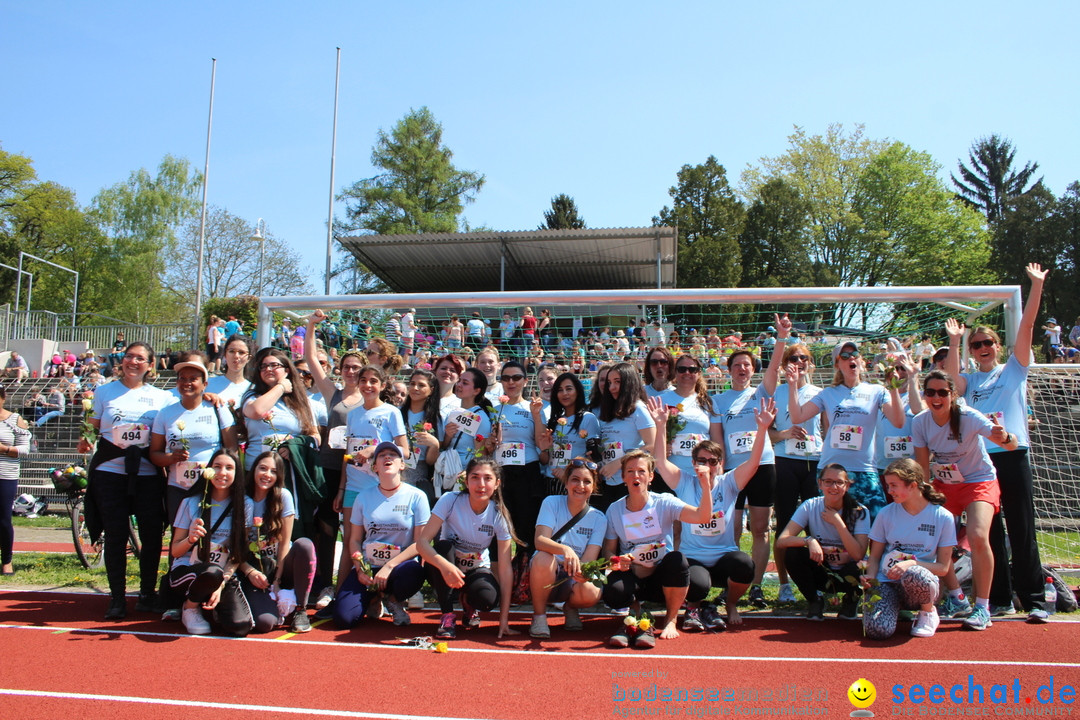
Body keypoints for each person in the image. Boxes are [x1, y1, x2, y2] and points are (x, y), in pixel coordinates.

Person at [944, 263, 1053, 622]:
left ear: (998, 345)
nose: (983, 348)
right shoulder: (971, 382)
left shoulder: (1014, 369)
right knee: (989, 532)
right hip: (981, 464)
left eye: (988, 342)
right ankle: (1001, 598)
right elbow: (952, 382)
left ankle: (1034, 599)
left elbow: (1028, 326)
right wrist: (956, 341)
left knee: (1022, 528)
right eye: (977, 345)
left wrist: (1035, 286)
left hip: (1013, 453)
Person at [651, 396, 775, 631]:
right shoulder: (684, 482)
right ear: (693, 461)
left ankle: (730, 604)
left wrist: (762, 429)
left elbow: (754, 463)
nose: (706, 465)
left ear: (719, 464)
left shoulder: (729, 482)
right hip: (694, 556)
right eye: (701, 460)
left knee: (745, 565)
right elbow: (660, 462)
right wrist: (660, 425)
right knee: (698, 585)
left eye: (712, 461)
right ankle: (695, 607)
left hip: (723, 555)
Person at [913, 370, 1020, 632]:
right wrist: (923, 496)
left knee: (977, 535)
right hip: (944, 484)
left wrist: (1003, 436)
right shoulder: (919, 422)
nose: (936, 398)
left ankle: (982, 607)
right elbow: (922, 466)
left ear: (953, 395)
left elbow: (1011, 444)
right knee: (937, 538)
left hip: (978, 480)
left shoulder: (969, 416)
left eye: (942, 393)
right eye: (930, 392)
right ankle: (957, 597)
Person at [83, 341, 174, 620]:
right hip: (110, 473)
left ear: (150, 365)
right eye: (129, 357)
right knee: (115, 534)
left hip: (148, 474)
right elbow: (91, 426)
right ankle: (118, 598)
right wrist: (84, 440)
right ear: (121, 361)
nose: (133, 362)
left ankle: (147, 594)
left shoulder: (162, 398)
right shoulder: (103, 391)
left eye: (140, 359)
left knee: (151, 535)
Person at [709, 314, 789, 608]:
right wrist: (718, 470)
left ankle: (755, 586)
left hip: (763, 465)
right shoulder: (718, 401)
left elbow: (775, 366)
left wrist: (781, 337)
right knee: (731, 528)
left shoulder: (762, 393)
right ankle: (731, 582)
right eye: (737, 365)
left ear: (752, 370)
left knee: (759, 527)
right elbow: (717, 439)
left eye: (747, 365)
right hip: (733, 470)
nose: (742, 369)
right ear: (728, 370)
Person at [601, 450, 715, 648]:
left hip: (662, 575)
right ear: (623, 478)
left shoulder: (664, 502)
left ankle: (670, 620)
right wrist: (618, 560)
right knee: (612, 593)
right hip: (634, 573)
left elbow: (702, 517)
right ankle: (635, 612)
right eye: (630, 471)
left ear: (651, 476)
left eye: (641, 471)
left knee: (677, 560)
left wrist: (705, 486)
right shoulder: (614, 509)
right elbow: (608, 552)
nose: (636, 476)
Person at [786, 339, 905, 520]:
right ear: (837, 364)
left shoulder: (877, 391)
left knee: (877, 523)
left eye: (855, 354)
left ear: (861, 361)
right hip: (832, 470)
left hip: (864, 469)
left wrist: (894, 389)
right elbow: (797, 416)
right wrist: (793, 385)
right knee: (832, 527)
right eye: (845, 355)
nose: (852, 358)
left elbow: (898, 421)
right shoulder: (827, 393)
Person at [418, 457, 518, 639]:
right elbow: (422, 543)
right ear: (466, 481)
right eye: (475, 477)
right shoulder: (450, 500)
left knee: (488, 599)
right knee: (443, 547)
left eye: (487, 478)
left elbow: (505, 569)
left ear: (497, 484)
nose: (481, 484)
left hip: (475, 569)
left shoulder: (499, 515)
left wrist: (504, 621)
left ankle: (469, 603)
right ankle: (447, 616)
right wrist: (445, 566)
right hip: (445, 566)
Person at [334, 442, 429, 628]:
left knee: (416, 572)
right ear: (374, 466)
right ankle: (374, 598)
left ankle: (393, 600)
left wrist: (389, 566)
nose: (387, 457)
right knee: (344, 620)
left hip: (399, 569)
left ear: (402, 464)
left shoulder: (417, 496)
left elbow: (420, 543)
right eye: (381, 455)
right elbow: (353, 540)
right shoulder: (363, 497)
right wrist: (360, 569)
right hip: (369, 568)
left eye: (393, 455)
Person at [860, 458, 956, 640]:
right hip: (887, 582)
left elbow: (943, 568)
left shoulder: (943, 517)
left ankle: (928, 613)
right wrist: (870, 577)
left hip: (920, 584)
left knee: (915, 573)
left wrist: (910, 563)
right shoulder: (885, 514)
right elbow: (874, 557)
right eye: (888, 485)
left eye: (894, 485)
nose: (889, 491)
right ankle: (894, 609)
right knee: (877, 631)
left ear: (912, 485)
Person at [167, 448, 254, 636]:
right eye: (217, 467)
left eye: (229, 468)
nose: (222, 473)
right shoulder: (191, 502)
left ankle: (212, 606)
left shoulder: (245, 504)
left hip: (222, 573)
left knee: (240, 626)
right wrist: (191, 539)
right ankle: (190, 608)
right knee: (211, 571)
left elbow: (238, 553)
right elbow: (175, 551)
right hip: (189, 570)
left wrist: (221, 586)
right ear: (209, 470)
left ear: (236, 473)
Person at [150, 355, 238, 538]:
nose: (187, 383)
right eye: (182, 378)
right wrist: (171, 458)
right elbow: (154, 454)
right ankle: (179, 568)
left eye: (193, 379)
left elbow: (232, 450)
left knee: (212, 535)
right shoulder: (165, 414)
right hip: (178, 487)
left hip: (211, 486)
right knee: (180, 537)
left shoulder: (217, 408)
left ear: (205, 384)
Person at [775, 464, 869, 621]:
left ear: (847, 485)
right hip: (822, 570)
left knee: (863, 565)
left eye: (839, 482)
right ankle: (814, 600)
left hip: (849, 572)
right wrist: (809, 540)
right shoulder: (810, 506)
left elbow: (858, 554)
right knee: (792, 553)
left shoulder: (859, 511)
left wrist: (839, 523)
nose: (834, 487)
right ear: (820, 484)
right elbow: (781, 541)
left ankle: (851, 598)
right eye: (828, 482)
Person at [769, 341, 824, 604]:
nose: (798, 362)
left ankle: (819, 582)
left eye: (803, 358)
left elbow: (828, 430)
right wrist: (784, 433)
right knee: (784, 523)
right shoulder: (776, 393)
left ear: (810, 364)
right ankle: (783, 584)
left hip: (813, 463)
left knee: (818, 525)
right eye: (792, 358)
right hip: (784, 461)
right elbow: (766, 432)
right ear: (784, 365)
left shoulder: (820, 393)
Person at [528, 458, 607, 638]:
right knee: (543, 558)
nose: (580, 485)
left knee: (592, 590)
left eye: (587, 481)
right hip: (547, 572)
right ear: (566, 482)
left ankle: (570, 607)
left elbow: (589, 559)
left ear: (594, 487)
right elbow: (540, 540)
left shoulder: (599, 518)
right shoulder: (551, 502)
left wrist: (582, 572)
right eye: (575, 479)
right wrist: (565, 550)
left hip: (572, 575)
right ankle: (539, 617)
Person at [242, 451, 316, 633]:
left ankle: (300, 609)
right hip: (255, 569)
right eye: (263, 468)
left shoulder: (283, 496)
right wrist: (251, 572)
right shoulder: (243, 498)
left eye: (273, 471)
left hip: (281, 565)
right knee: (265, 623)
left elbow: (284, 543)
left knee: (304, 545)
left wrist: (277, 580)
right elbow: (239, 546)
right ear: (253, 470)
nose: (267, 475)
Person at [594, 362, 656, 513]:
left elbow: (652, 445)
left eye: (617, 382)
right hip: (610, 482)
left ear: (629, 382)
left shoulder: (638, 408)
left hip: (631, 482)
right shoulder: (609, 409)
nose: (611, 388)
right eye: (609, 383)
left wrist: (619, 463)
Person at [535, 372, 600, 495]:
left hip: (574, 483)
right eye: (560, 390)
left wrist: (568, 473)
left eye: (569, 389)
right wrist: (544, 450)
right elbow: (544, 460)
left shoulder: (588, 418)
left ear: (578, 391)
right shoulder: (554, 421)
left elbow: (594, 459)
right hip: (551, 481)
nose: (564, 393)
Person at [0, 385, 31, 575]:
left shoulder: (14, 419)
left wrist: (3, 449)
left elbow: (25, 449)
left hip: (5, 475)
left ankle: (7, 561)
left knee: (3, 520)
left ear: (3, 397)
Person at [400, 369, 442, 506]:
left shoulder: (435, 419)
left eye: (421, 385)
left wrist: (434, 444)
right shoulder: (397, 413)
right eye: (412, 384)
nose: (415, 388)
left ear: (431, 389)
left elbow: (430, 462)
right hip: (396, 470)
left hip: (419, 475)